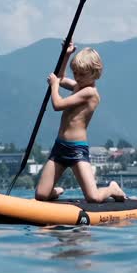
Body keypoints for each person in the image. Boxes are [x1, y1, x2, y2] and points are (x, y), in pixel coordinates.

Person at [34, 43, 126, 203]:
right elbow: (61, 78)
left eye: (81, 74)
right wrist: (66, 54)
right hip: (60, 147)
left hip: (76, 149)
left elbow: (58, 104)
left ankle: (112, 188)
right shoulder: (79, 86)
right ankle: (54, 191)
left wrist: (54, 86)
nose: (77, 77)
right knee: (40, 195)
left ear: (94, 73)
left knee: (94, 197)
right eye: (75, 73)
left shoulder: (89, 93)